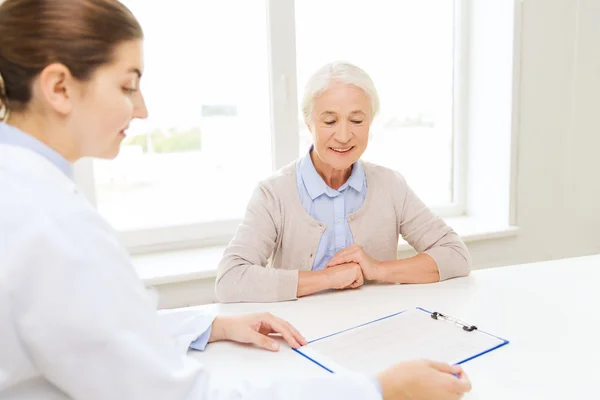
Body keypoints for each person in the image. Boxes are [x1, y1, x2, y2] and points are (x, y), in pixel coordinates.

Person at [0, 1, 471, 399]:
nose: (141, 108)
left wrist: (210, 327)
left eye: (357, 119)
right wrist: (377, 389)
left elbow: (96, 331)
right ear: (59, 87)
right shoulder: (52, 223)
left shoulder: (30, 196)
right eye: (127, 85)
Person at [216, 62, 471, 303]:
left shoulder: (391, 185)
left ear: (370, 122)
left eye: (357, 121)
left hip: (379, 330)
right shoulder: (273, 194)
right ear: (308, 123)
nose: (344, 135)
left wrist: (377, 269)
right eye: (329, 121)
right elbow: (230, 279)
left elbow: (455, 255)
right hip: (302, 335)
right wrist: (326, 278)